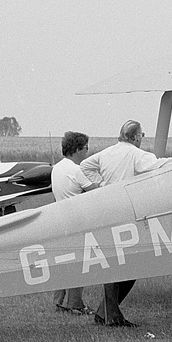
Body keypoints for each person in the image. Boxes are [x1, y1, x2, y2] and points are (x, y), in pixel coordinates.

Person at [80, 120, 172, 327]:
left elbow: (84, 166)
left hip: (107, 212)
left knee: (118, 266)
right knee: (127, 267)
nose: (141, 139)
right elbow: (157, 165)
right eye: (141, 135)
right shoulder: (136, 154)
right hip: (127, 213)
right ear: (135, 137)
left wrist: (102, 185)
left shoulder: (107, 153)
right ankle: (111, 316)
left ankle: (105, 312)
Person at [50, 131, 99, 315]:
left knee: (62, 262)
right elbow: (94, 191)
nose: (87, 151)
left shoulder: (57, 168)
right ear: (78, 149)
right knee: (79, 263)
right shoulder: (75, 170)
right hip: (76, 222)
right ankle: (76, 304)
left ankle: (59, 301)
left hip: (60, 220)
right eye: (86, 148)